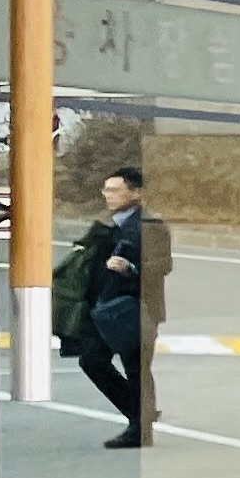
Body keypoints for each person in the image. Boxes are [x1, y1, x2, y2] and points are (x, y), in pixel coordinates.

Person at [56, 167, 165, 446]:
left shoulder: (151, 226)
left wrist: (130, 268)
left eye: (115, 190)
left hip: (135, 307)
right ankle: (140, 414)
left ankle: (139, 429)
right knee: (91, 360)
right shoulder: (109, 226)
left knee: (136, 368)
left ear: (136, 193)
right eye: (106, 189)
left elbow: (163, 264)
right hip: (104, 309)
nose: (108, 195)